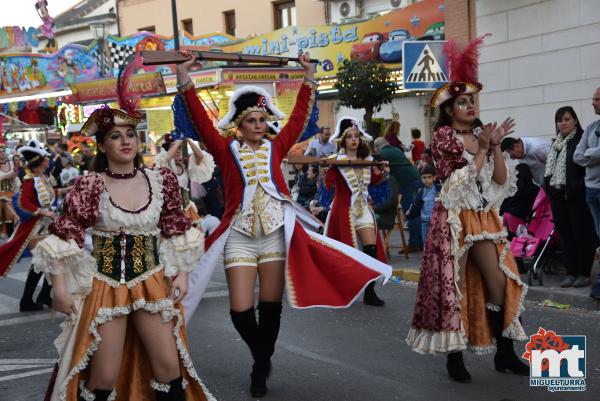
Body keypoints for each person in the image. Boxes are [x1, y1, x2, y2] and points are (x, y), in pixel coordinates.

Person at [175, 52, 390, 398]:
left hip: (275, 236)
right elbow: (200, 119)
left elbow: (297, 118)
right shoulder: (224, 147)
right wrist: (184, 78)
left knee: (270, 306)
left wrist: (308, 77)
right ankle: (262, 355)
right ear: (239, 124)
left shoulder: (277, 147)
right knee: (240, 310)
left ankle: (260, 368)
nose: (259, 125)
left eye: (262, 119)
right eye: (252, 120)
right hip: (240, 237)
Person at [30, 91, 214, 399]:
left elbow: (174, 229)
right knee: (103, 376)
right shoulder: (90, 186)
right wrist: (59, 288)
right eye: (116, 136)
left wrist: (181, 273)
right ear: (102, 146)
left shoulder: (160, 181)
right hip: (106, 286)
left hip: (151, 282)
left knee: (169, 368)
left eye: (131, 134)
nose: (126, 141)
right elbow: (66, 234)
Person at [406, 35, 528, 383]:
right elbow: (459, 181)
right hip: (453, 218)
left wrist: (496, 147)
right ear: (449, 109)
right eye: (463, 102)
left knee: (500, 284)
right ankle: (454, 357)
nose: (471, 106)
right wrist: (481, 150)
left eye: (472, 100)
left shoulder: (482, 136)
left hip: (483, 218)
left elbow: (498, 181)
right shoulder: (444, 138)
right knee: (454, 288)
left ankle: (505, 353)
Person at [324, 116, 389, 306]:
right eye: (349, 136)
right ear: (343, 140)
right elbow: (327, 187)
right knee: (345, 254)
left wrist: (383, 171)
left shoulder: (367, 160)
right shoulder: (336, 161)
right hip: (344, 211)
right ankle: (341, 288)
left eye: (356, 136)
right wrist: (325, 172)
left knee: (371, 248)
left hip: (363, 210)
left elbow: (375, 182)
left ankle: (369, 292)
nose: (354, 139)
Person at [0, 140, 60, 312]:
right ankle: (28, 300)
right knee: (42, 263)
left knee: (49, 262)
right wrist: (42, 212)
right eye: (45, 158)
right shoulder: (29, 180)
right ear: (39, 161)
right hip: (36, 228)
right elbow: (23, 202)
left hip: (46, 226)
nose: (48, 160)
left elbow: (47, 196)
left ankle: (40, 297)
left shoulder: (43, 177)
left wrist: (65, 190)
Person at [545, 106, 598, 288]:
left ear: (575, 120)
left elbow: (584, 166)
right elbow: (549, 170)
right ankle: (571, 272)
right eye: (560, 120)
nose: (563, 123)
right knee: (566, 235)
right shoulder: (556, 143)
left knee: (581, 234)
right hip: (558, 195)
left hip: (577, 195)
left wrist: (577, 186)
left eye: (567, 119)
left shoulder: (581, 139)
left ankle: (583, 272)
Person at [573, 86, 600, 299]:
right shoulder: (591, 128)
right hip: (592, 190)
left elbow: (585, 156)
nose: (593, 103)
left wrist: (589, 155)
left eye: (597, 99)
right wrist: (595, 153)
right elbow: (577, 156)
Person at [373, 136, 422, 251]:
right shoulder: (395, 149)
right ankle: (419, 242)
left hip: (407, 183)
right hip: (415, 178)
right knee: (415, 212)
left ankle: (414, 244)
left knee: (410, 213)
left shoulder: (383, 154)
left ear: (376, 148)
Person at [155, 133, 215, 223]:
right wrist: (178, 140)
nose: (178, 150)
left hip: (186, 208)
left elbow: (200, 156)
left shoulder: (185, 165)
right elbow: (166, 158)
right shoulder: (165, 165)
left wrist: (188, 139)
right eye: (175, 148)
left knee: (195, 232)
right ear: (168, 150)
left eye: (180, 148)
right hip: (170, 209)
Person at [406, 164, 439, 244]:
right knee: (426, 241)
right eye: (424, 177)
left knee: (436, 241)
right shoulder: (421, 191)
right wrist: (410, 210)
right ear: (421, 178)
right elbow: (415, 202)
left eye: (429, 177)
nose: (426, 180)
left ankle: (435, 256)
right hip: (424, 220)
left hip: (436, 220)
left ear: (434, 177)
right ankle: (426, 256)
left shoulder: (438, 189)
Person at [369, 158, 399, 232]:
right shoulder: (373, 180)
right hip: (374, 211)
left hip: (384, 215)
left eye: (372, 170)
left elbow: (391, 201)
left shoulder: (389, 179)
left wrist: (373, 209)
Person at [0, 144, 20, 239]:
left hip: (11, 191)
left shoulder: (11, 163)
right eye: (0, 151)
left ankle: (11, 233)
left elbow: (15, 173)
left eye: (3, 151)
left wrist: (3, 177)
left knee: (10, 210)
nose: (2, 153)